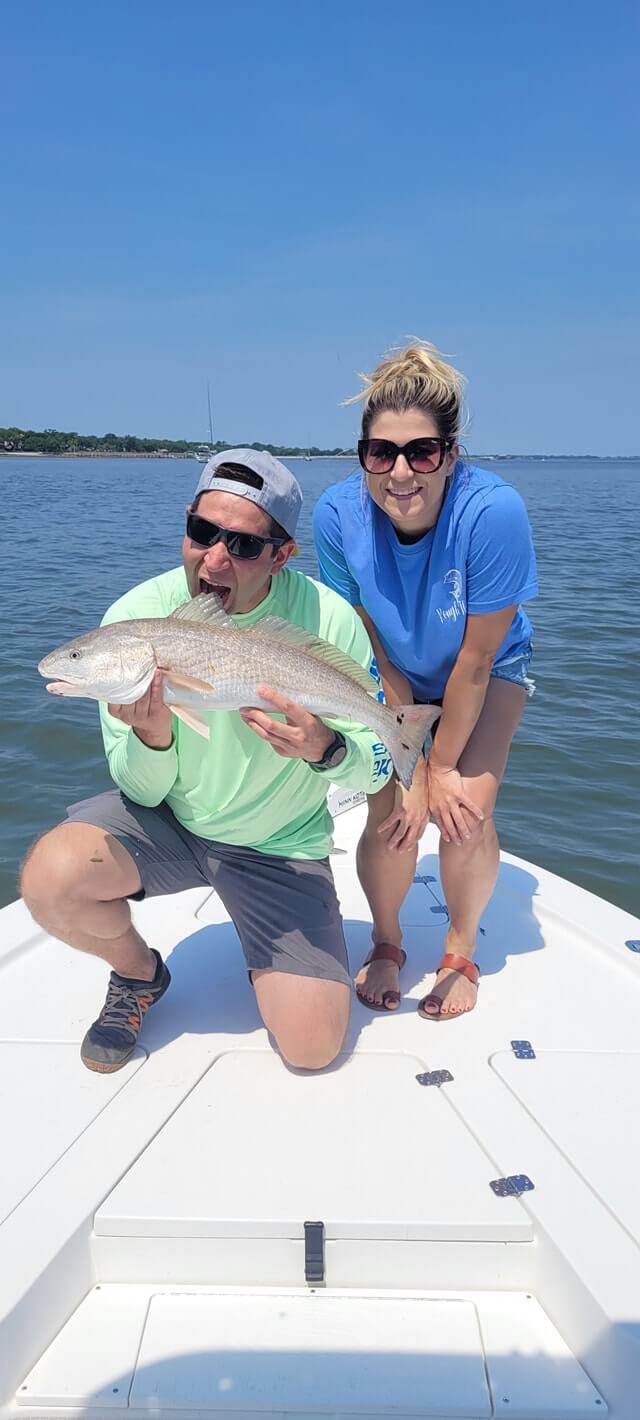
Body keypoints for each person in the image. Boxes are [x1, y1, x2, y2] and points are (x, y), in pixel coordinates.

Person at [21, 450, 394, 1073]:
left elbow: (377, 767)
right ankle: (139, 973)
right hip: (171, 823)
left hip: (279, 843)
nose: (214, 559)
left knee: (312, 1048)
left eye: (243, 546)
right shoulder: (133, 618)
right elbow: (140, 791)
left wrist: (327, 749)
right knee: (51, 878)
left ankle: (275, 952)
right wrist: (154, 737)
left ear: (282, 555)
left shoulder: (329, 619)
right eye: (202, 532)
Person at [313, 341, 538, 1020]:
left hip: (486, 669)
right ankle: (387, 939)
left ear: (451, 453)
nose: (401, 472)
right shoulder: (336, 516)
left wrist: (439, 770)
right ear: (362, 455)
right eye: (381, 453)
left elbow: (475, 662)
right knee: (392, 815)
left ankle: (461, 948)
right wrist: (409, 772)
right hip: (395, 671)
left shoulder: (493, 513)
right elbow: (372, 648)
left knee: (464, 811)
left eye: (422, 452)